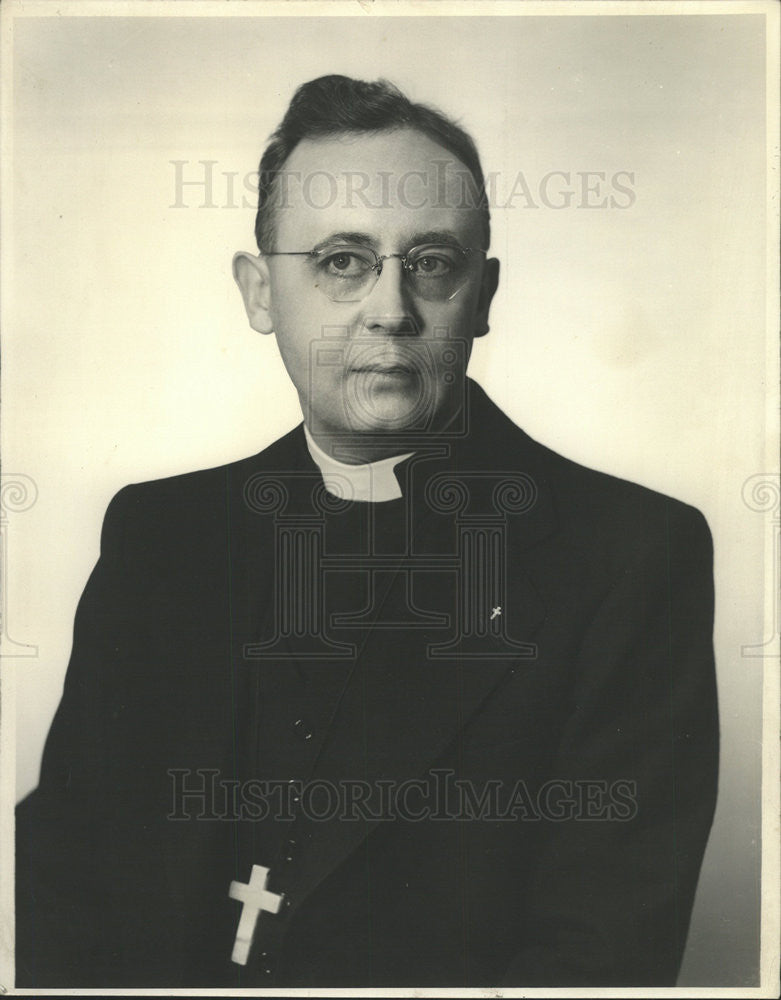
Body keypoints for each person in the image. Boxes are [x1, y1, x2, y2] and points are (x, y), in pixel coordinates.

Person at [15, 74, 719, 988]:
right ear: (260, 291)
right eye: (342, 261)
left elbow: (600, 954)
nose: (390, 310)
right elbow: (61, 879)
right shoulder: (159, 535)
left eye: (429, 262)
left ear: (484, 293)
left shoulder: (628, 555)